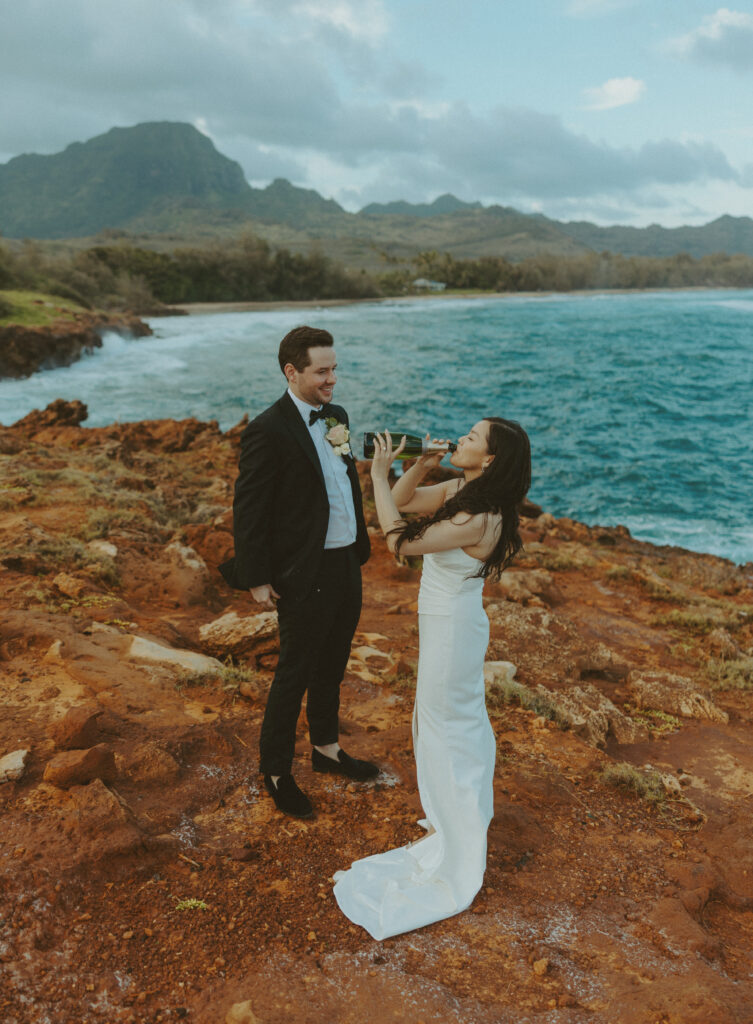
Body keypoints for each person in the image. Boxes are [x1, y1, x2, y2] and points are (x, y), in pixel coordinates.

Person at [333, 417, 532, 939]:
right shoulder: (464, 488)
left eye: (472, 437)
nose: (461, 438)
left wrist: (375, 474)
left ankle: (462, 840)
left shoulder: (480, 515)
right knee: (441, 723)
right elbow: (406, 501)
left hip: (453, 628)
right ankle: (456, 816)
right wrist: (417, 465)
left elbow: (398, 541)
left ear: (489, 458)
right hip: (442, 622)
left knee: (451, 726)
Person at [220, 325, 378, 819]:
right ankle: (276, 771)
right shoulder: (268, 429)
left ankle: (327, 751)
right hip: (302, 570)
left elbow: (341, 478)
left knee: (332, 664)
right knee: (294, 672)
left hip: (345, 560)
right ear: (292, 371)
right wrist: (257, 576)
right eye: (322, 372)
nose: (333, 380)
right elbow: (249, 508)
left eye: (335, 369)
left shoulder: (337, 417)